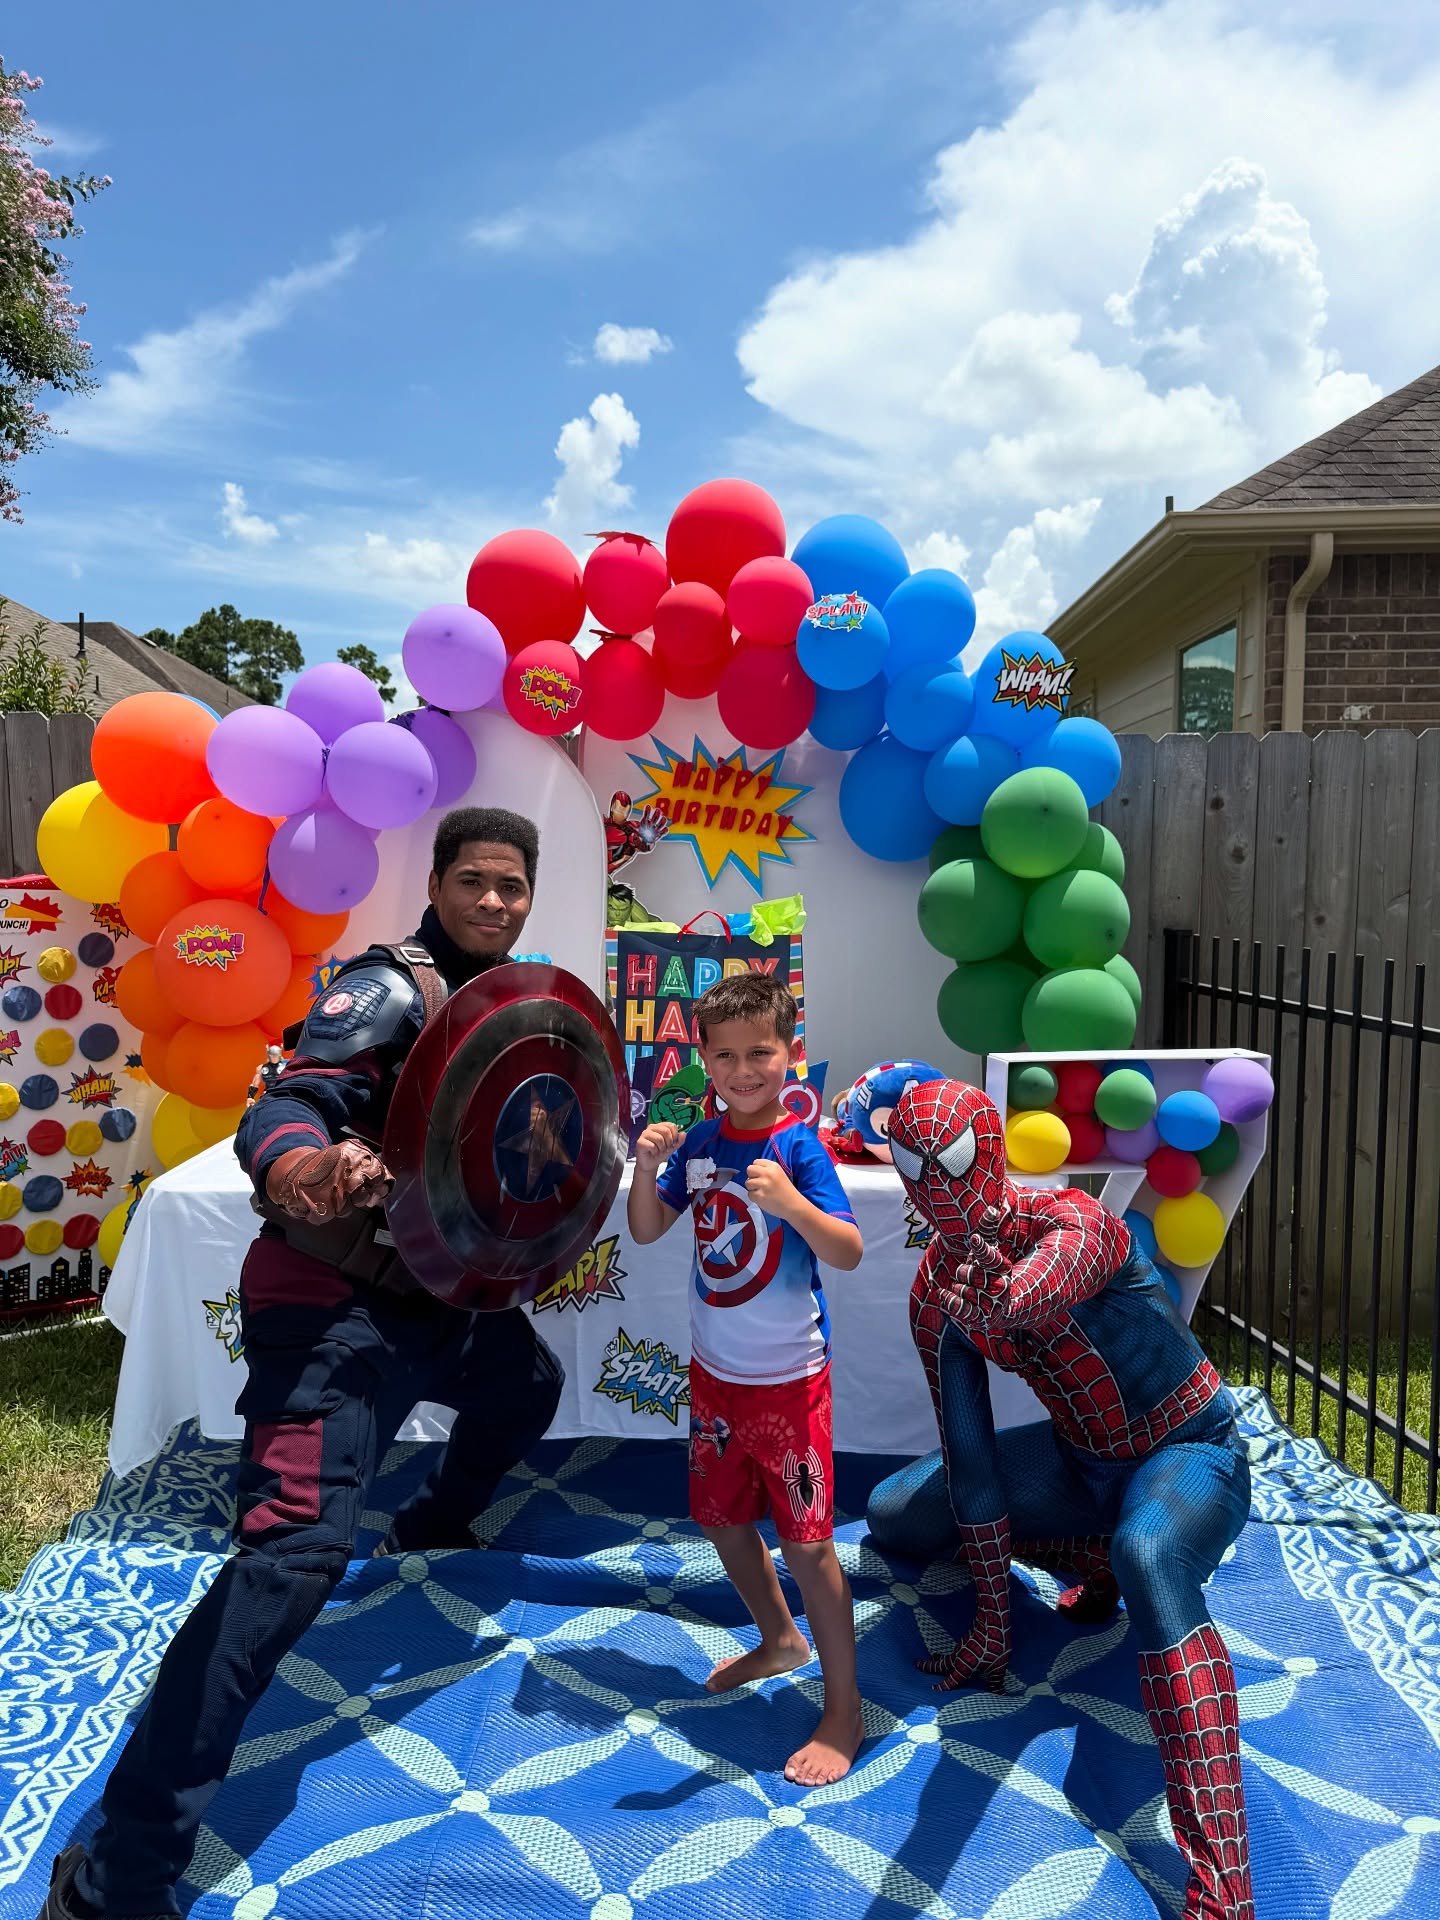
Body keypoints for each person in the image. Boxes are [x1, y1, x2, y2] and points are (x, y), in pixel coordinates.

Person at [42, 807, 566, 1920]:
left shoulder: (519, 1005)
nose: (492, 901)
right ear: (437, 881)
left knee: (531, 1389)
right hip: (330, 1307)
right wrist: (299, 1168)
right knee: (290, 1562)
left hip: (447, 1304)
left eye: (511, 886)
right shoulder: (387, 988)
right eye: (474, 880)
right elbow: (286, 1100)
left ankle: (432, 1522)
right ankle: (118, 1875)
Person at [868, 1079, 1253, 1920]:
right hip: (1081, 1463)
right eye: (912, 1163)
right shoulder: (938, 1291)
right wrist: (993, 1628)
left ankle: (1225, 1886)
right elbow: (969, 1460)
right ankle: (1088, 1550)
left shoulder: (1078, 1224)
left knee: (1148, 1554)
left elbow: (1039, 1287)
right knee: (896, 1512)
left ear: (992, 1149)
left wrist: (988, 1302)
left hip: (1186, 1448)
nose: (934, 1182)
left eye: (953, 1159)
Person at [627, 972, 866, 1789]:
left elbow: (847, 1250)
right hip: (716, 1380)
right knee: (723, 1521)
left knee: (808, 1544)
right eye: (724, 1056)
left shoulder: (798, 1147)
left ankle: (845, 1707)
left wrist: (794, 1204)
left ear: (791, 1055)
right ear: (703, 1059)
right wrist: (642, 1165)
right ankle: (778, 1640)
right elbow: (650, 1229)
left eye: (759, 1052)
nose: (741, 1070)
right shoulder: (697, 1145)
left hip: (790, 1382)